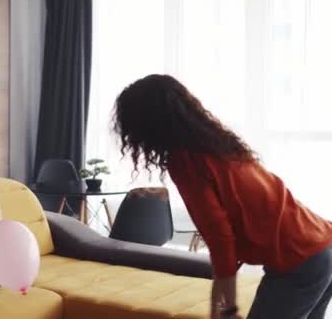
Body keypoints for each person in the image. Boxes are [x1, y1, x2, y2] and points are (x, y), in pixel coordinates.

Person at [112, 74, 332, 319]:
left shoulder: (187, 163)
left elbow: (220, 237)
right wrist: (221, 299)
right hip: (322, 243)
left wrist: (228, 307)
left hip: (299, 259)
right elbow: (234, 232)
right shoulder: (220, 145)